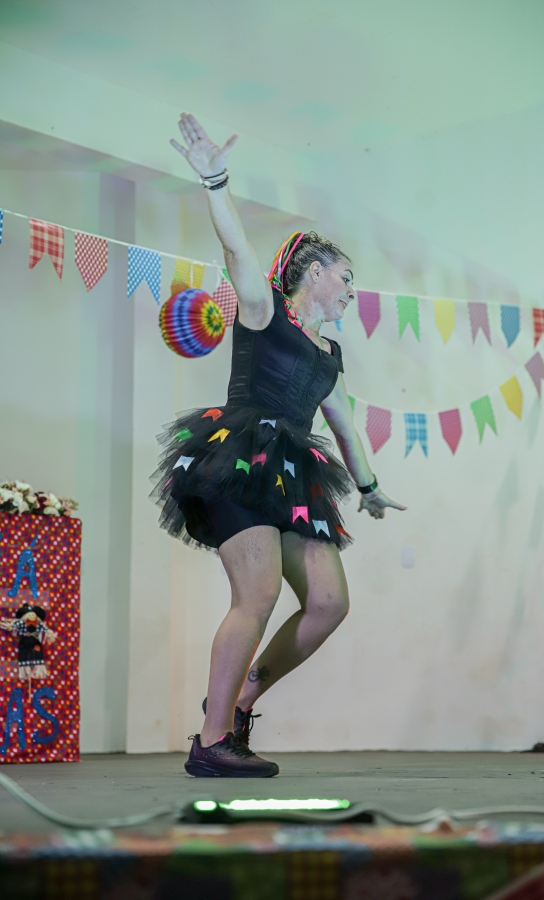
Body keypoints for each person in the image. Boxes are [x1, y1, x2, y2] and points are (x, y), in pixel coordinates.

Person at [154, 113, 406, 778]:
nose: (351, 290)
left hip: (294, 478)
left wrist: (370, 488)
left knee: (327, 603)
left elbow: (346, 427)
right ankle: (212, 741)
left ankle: (240, 700)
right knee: (258, 595)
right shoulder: (265, 311)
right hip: (238, 461)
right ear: (313, 272)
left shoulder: (330, 354)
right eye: (345, 277)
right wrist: (215, 180)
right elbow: (238, 251)